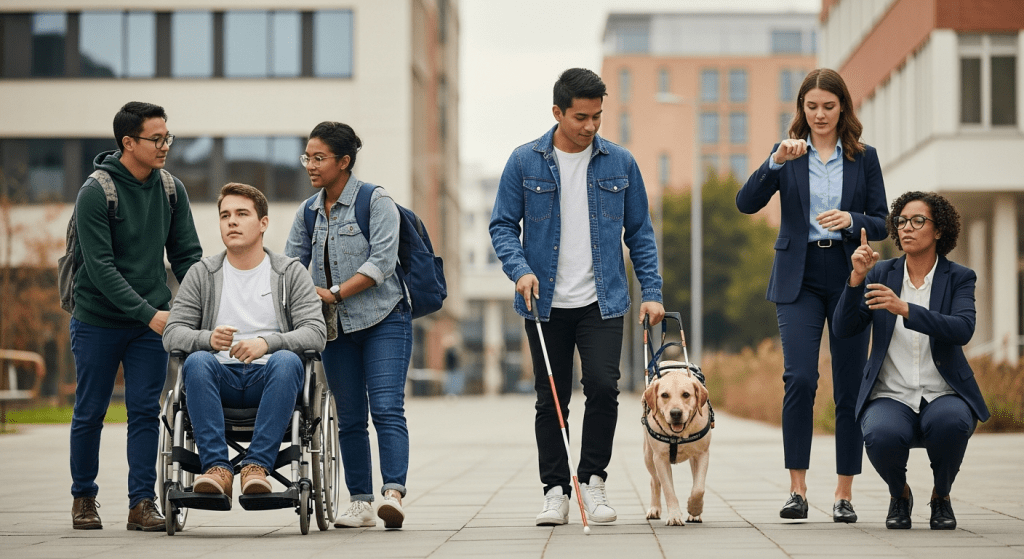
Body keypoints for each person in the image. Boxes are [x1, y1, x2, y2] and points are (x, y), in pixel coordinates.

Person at [489, 68, 665, 526]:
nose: (590, 126)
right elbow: (502, 226)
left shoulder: (620, 163)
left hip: (602, 300)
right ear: (558, 112)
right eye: (581, 117)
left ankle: (593, 481)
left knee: (605, 388)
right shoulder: (524, 161)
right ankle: (555, 492)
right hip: (542, 302)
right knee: (551, 398)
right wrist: (520, 270)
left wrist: (652, 292)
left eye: (597, 117)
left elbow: (641, 233)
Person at [736, 68, 888, 523]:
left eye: (828, 106)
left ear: (843, 108)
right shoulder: (787, 154)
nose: (819, 115)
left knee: (848, 385)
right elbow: (746, 203)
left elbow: (882, 220)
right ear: (801, 109)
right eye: (811, 107)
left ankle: (844, 493)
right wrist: (774, 163)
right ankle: (797, 490)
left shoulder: (865, 158)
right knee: (800, 379)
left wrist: (852, 217)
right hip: (796, 275)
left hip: (848, 276)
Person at [68, 101, 202, 530]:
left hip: (150, 323)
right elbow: (101, 268)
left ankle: (141, 503)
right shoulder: (95, 192)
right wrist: (151, 315)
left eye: (168, 137)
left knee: (145, 411)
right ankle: (84, 498)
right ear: (129, 142)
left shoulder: (170, 189)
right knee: (90, 411)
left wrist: (204, 301)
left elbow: (186, 256)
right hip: (97, 320)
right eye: (156, 138)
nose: (165, 145)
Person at [833, 192, 990, 530]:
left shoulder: (959, 277)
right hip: (891, 395)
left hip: (943, 392)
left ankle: (941, 497)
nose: (906, 227)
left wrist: (906, 309)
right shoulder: (881, 275)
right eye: (901, 221)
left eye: (918, 221)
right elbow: (845, 328)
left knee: (951, 423)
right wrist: (856, 279)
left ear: (938, 231)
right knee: (879, 433)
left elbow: (963, 329)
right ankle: (899, 494)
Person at [284, 122, 413, 530]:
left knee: (387, 407)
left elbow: (382, 263)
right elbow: (289, 266)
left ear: (344, 161)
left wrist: (334, 292)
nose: (310, 165)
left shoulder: (376, 202)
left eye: (319, 157)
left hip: (384, 319)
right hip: (335, 329)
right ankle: (360, 502)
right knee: (351, 416)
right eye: (307, 157)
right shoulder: (308, 211)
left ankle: (392, 494)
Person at [163, 183, 326, 499]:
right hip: (216, 380)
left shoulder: (290, 272)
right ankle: (217, 469)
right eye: (225, 215)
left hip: (272, 379)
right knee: (196, 360)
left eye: (241, 214)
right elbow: (172, 334)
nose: (232, 222)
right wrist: (207, 339)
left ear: (263, 223)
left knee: (287, 359)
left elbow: (315, 332)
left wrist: (267, 343)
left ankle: (256, 467)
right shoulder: (202, 274)